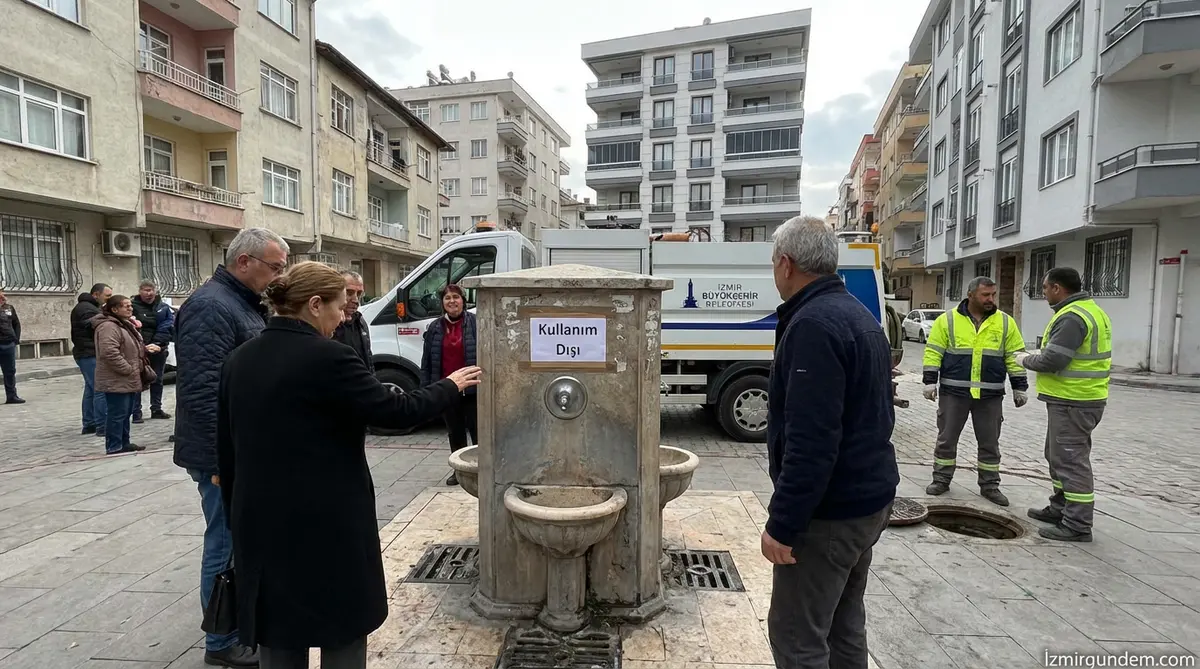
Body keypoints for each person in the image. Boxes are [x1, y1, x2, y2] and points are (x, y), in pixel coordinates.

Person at [217, 262, 482, 669]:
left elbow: (227, 447)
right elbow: (395, 409)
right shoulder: (330, 357)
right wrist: (450, 385)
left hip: (261, 521)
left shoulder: (239, 359)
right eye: (340, 307)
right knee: (340, 626)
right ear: (315, 304)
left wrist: (239, 518)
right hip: (326, 522)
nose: (344, 316)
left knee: (278, 631)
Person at [761, 216, 899, 669]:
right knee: (843, 625)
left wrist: (783, 523)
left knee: (797, 636)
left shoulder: (813, 326)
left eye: (772, 265)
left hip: (829, 517)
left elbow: (812, 442)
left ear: (786, 264)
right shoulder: (857, 314)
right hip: (867, 504)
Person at [174, 227, 289, 667]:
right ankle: (221, 642)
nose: (279, 277)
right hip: (220, 454)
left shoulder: (239, 303)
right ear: (245, 262)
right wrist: (222, 462)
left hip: (240, 447)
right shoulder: (210, 307)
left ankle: (239, 624)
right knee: (223, 544)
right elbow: (203, 393)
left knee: (239, 543)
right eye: (275, 268)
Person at [1016, 267, 1110, 542]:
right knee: (1057, 457)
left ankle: (1077, 525)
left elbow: (1053, 361)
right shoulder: (1090, 310)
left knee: (1070, 462)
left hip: (1075, 400)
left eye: (1045, 288)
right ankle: (1060, 508)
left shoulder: (1072, 317)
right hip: (1075, 399)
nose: (1044, 293)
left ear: (1057, 288)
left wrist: (1023, 359)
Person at [921, 276, 1029, 507]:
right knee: (946, 440)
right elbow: (933, 352)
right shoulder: (947, 320)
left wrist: (1020, 387)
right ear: (970, 295)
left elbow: (1014, 356)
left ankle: (990, 485)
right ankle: (941, 479)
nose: (991, 299)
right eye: (985, 295)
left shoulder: (1006, 322)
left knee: (990, 442)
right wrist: (929, 382)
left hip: (990, 397)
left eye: (993, 295)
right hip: (954, 393)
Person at [419, 284, 477, 486]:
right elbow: (427, 360)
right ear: (442, 303)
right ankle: (459, 472)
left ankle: (479, 470)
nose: (452, 301)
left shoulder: (475, 323)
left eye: (456, 297)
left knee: (477, 431)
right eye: (447, 298)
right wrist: (426, 388)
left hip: (472, 387)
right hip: (448, 388)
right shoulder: (435, 327)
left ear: (463, 300)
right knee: (455, 432)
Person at [93, 295, 152, 455]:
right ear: (114, 309)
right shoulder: (108, 326)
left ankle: (124, 442)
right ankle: (114, 445)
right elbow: (109, 352)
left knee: (125, 412)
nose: (130, 308)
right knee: (117, 413)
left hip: (128, 377)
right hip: (117, 377)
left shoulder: (124, 324)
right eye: (125, 306)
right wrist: (127, 368)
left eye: (130, 305)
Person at [72, 283, 113, 435]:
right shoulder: (87, 309)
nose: (109, 299)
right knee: (100, 388)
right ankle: (101, 425)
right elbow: (93, 327)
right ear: (96, 294)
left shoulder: (90, 307)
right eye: (107, 296)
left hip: (87, 352)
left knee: (91, 388)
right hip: (89, 353)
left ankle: (89, 423)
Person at [131, 280, 175, 423]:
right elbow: (132, 328)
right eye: (145, 290)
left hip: (159, 348)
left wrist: (157, 344)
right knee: (138, 380)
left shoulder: (163, 307)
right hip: (139, 349)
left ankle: (156, 408)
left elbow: (168, 325)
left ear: (155, 291)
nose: (149, 293)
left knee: (157, 379)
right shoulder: (132, 307)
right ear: (140, 291)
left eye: (151, 290)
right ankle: (136, 412)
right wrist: (143, 345)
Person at [332, 270, 373, 372]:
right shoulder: (326, 325)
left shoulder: (360, 321)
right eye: (349, 293)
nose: (355, 300)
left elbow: (368, 358)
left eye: (359, 294)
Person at [0, 288, 23, 405]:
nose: (3, 295)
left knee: (10, 371)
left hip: (8, 343)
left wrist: (16, 339)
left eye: (3, 292)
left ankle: (12, 396)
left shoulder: (9, 308)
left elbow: (16, 323)